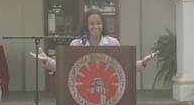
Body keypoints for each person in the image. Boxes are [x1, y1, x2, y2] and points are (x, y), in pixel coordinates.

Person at [30, 9, 159, 72]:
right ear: (87, 25)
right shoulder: (76, 44)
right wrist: (46, 60)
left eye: (98, 23)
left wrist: (143, 62)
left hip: (106, 90)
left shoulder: (113, 43)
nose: (96, 26)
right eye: (92, 23)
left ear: (103, 24)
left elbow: (123, 67)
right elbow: (65, 67)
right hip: (83, 90)